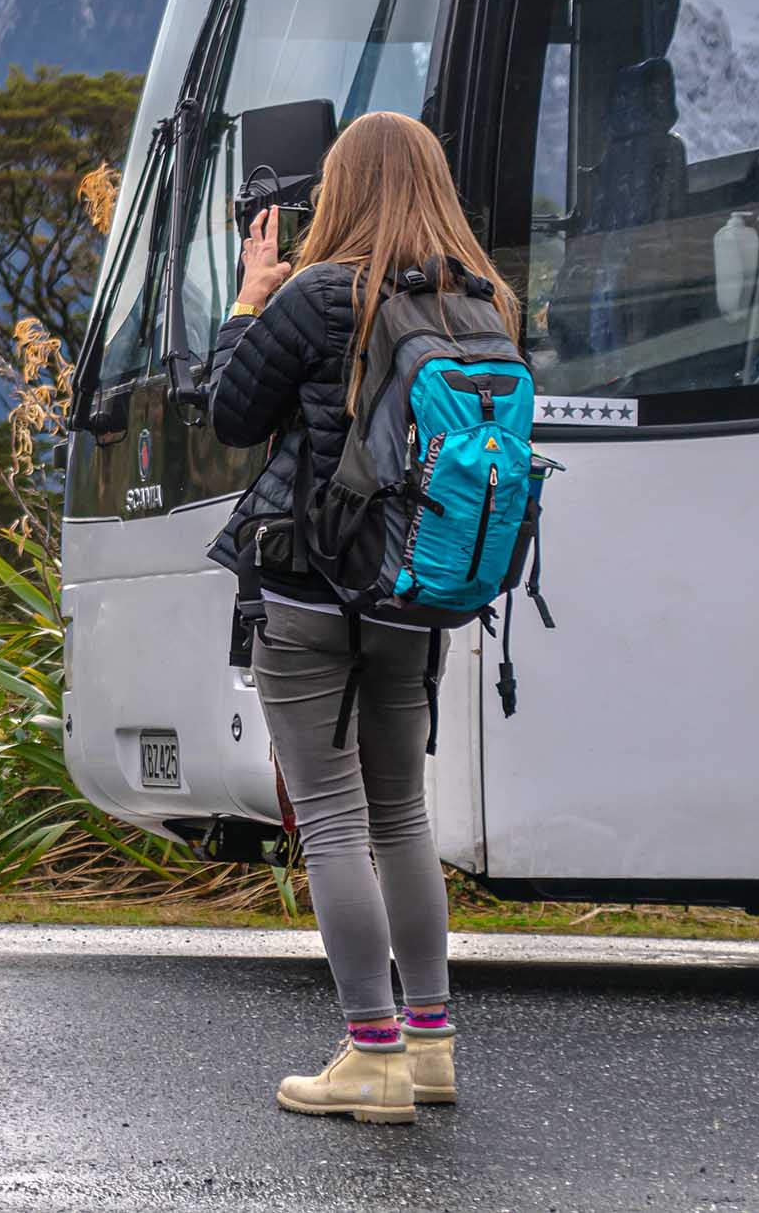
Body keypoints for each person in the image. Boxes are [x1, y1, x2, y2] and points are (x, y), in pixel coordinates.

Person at [203, 110, 514, 1122]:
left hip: (309, 583)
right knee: (402, 813)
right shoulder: (484, 299)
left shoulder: (316, 292)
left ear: (339, 189)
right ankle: (429, 1044)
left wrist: (247, 302)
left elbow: (230, 418)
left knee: (331, 816)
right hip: (417, 590)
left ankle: (369, 1052)